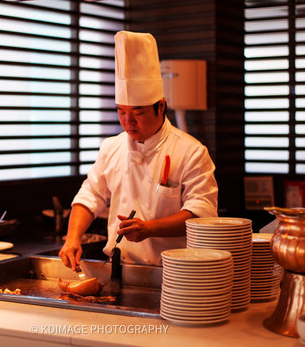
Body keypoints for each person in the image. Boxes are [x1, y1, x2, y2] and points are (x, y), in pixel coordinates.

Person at [59, 30, 218, 269]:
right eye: (121, 112)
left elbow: (201, 214)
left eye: (138, 113)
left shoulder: (191, 152)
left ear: (161, 106)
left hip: (176, 272)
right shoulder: (111, 147)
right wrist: (73, 239)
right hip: (119, 269)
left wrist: (149, 229)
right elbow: (90, 196)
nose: (128, 121)